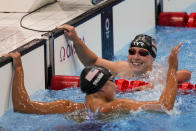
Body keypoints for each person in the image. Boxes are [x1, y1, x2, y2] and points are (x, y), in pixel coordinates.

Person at [6, 43, 180, 114]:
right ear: (103, 87)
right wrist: (172, 68)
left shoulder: (69, 107)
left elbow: (22, 106)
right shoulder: (117, 106)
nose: (116, 86)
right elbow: (165, 105)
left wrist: (19, 68)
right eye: (112, 81)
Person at [56, 25, 191, 85]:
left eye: (143, 53)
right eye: (132, 52)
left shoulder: (159, 72)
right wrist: (76, 39)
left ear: (152, 57)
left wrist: (155, 83)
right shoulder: (122, 68)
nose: (136, 57)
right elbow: (92, 62)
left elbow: (186, 74)